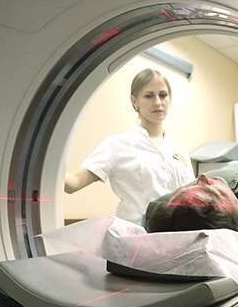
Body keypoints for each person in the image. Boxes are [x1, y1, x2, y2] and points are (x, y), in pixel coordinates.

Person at [63, 69, 194, 225]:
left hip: (178, 234)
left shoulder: (179, 150)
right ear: (134, 101)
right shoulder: (117, 145)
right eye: (149, 96)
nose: (158, 102)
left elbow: (192, 197)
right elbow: (74, 183)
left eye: (163, 95)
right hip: (136, 235)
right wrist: (44, 161)